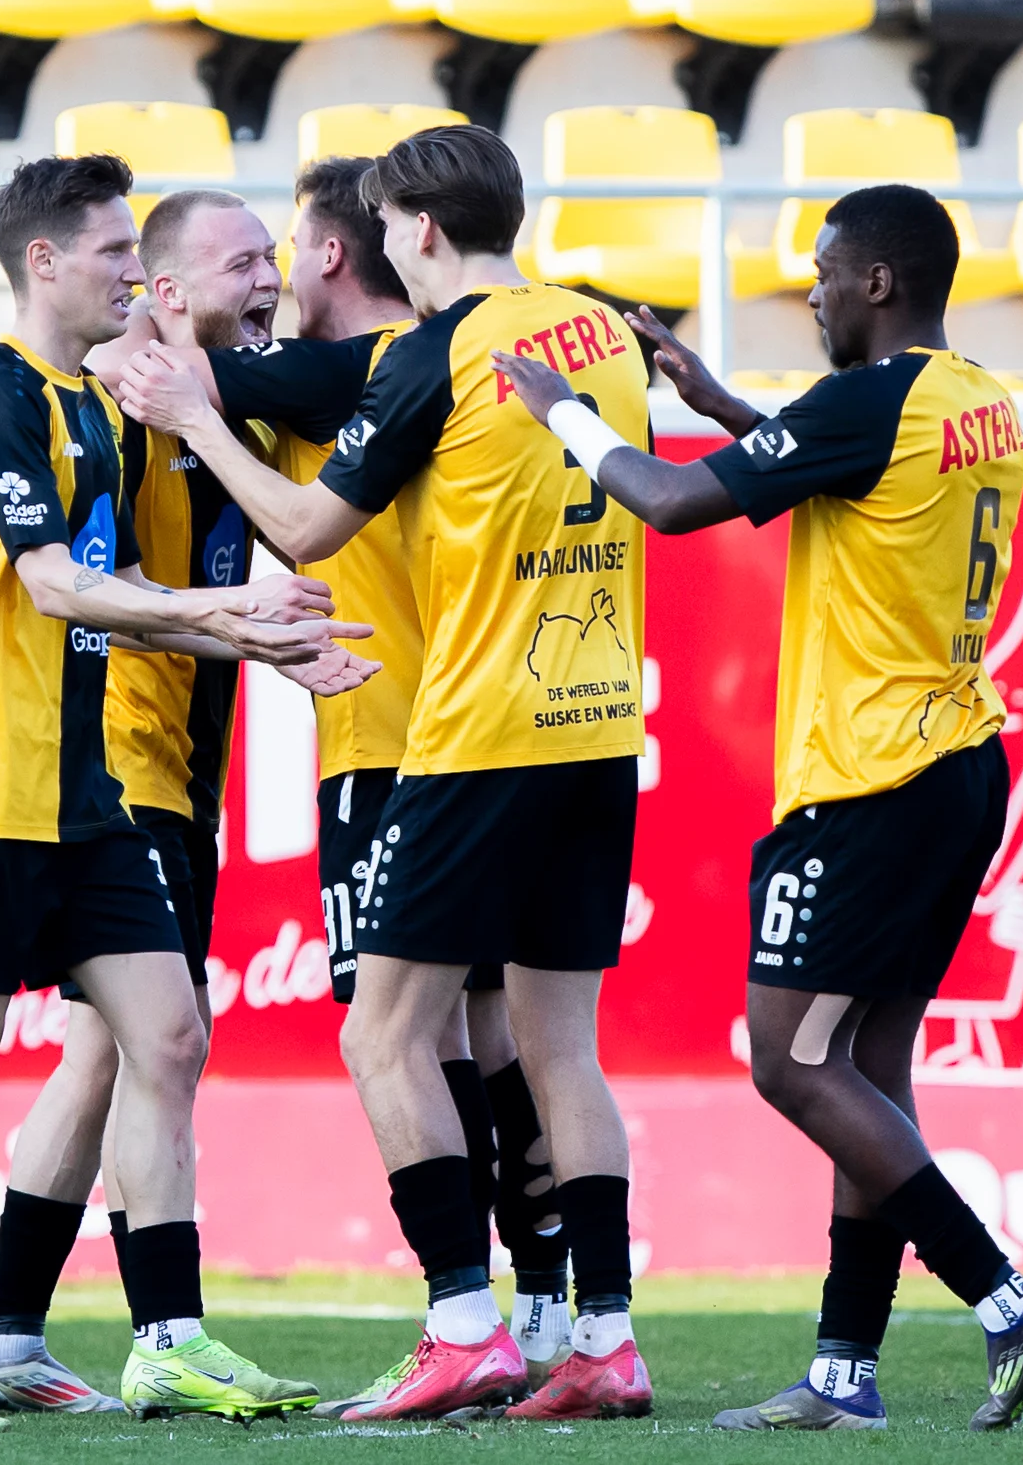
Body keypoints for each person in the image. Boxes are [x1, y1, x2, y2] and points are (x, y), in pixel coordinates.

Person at [489, 182, 1023, 1432]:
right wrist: (720, 408)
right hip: (962, 760)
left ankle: (1002, 1296)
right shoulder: (976, 397)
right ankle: (842, 1371)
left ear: (875, 281)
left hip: (869, 778)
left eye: (821, 269)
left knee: (788, 1061)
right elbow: (854, 484)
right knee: (865, 1062)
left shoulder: (866, 402)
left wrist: (573, 422)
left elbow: (672, 503)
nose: (807, 289)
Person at [117, 125, 654, 1422]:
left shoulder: (432, 354)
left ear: (411, 229)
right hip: (598, 728)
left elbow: (304, 526)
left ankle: (464, 1321)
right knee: (556, 1044)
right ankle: (603, 1335)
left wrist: (195, 413)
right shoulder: (601, 331)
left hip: (472, 741)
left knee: (383, 1032)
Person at [0, 152, 371, 1436]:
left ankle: (164, 1339)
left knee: (169, 1034)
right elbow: (57, 586)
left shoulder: (88, 405)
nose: (128, 274)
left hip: (84, 801)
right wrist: (227, 609)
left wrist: (265, 646)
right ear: (43, 261)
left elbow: (119, 599)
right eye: (110, 253)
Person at [0, 188, 284, 1413]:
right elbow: (93, 575)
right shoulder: (127, 396)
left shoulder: (231, 393)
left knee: (117, 1053)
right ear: (166, 290)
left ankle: (7, 1335)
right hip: (124, 757)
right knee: (147, 1041)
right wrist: (222, 621)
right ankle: (147, 1330)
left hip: (183, 766)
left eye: (275, 259)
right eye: (241, 262)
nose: (269, 279)